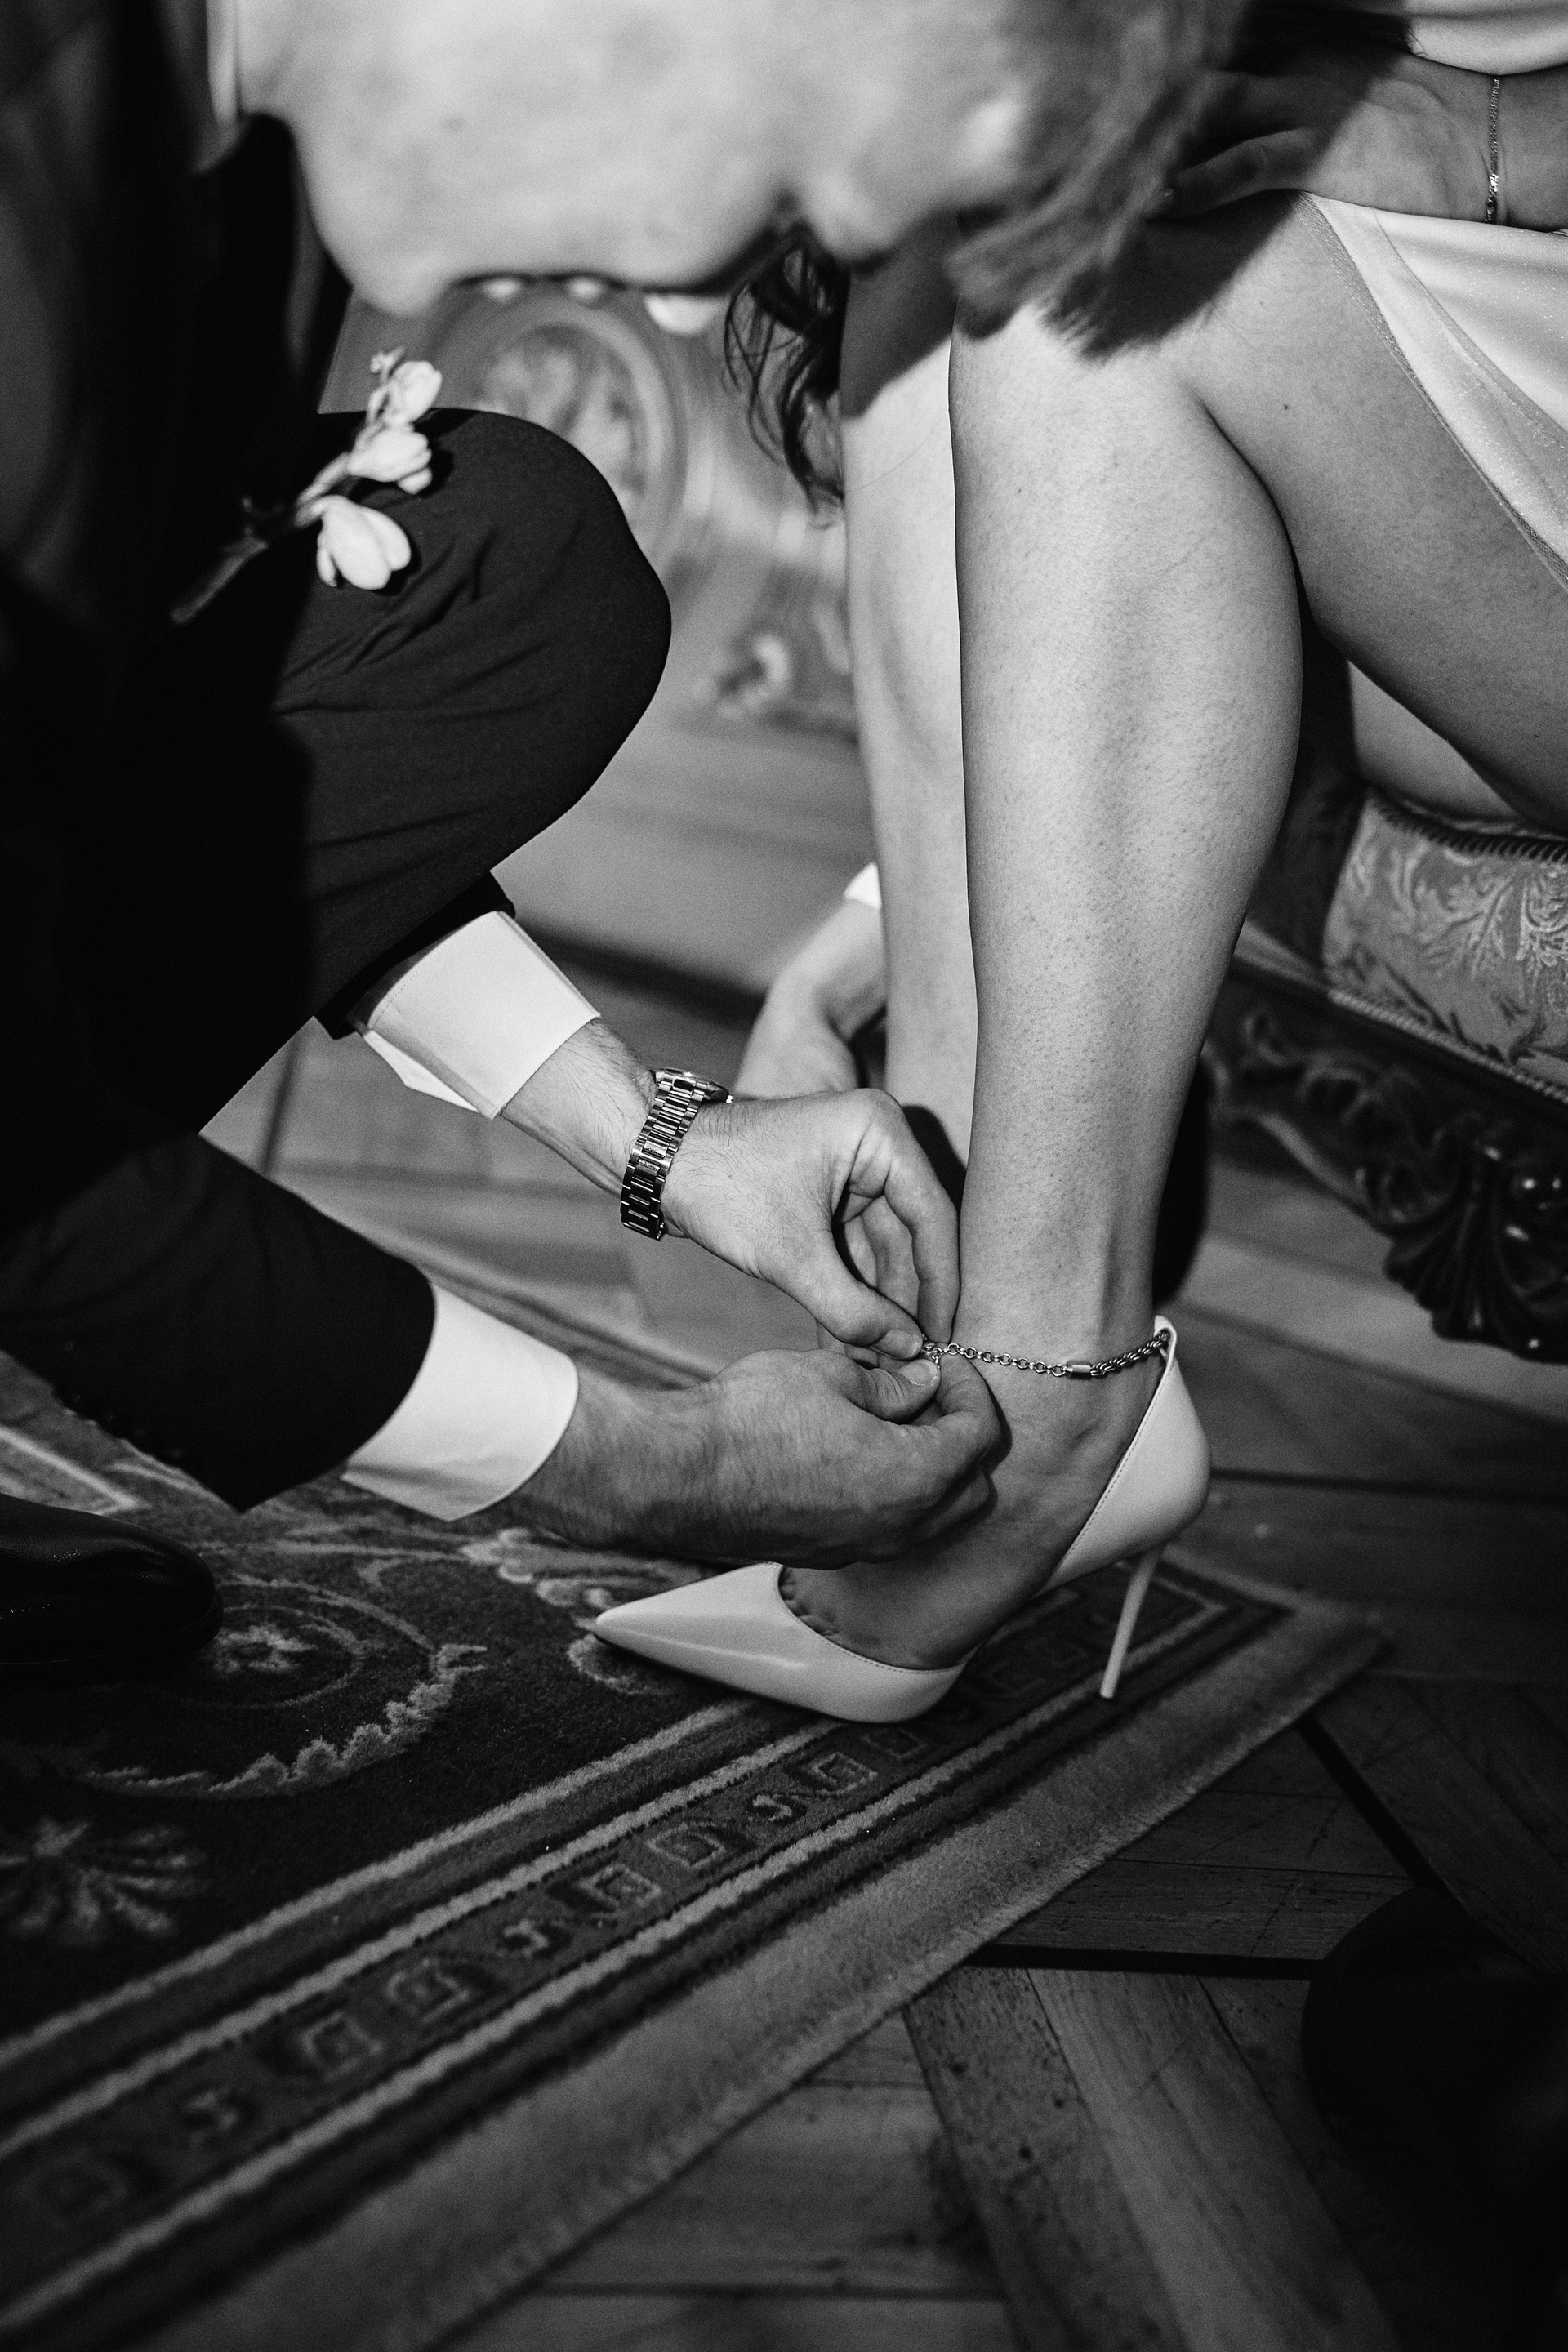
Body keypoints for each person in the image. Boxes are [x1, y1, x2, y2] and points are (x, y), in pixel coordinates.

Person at [0, 0, 1241, 1681]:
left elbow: (161, 741)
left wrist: (662, 1138)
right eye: (786, 179)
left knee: (503, 560)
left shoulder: (223, 148)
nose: (680, 300)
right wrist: (650, 1465)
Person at [595, 5, 1568, 1712]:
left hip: (1488, 252)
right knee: (948, 256)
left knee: (1093, 296)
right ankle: (964, 1316)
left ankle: (1053, 1397)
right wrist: (895, 907)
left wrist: (1503, 146)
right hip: (1404, 351)